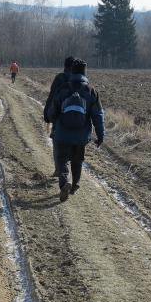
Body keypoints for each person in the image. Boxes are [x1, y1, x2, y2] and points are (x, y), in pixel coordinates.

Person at [47, 58, 104, 202]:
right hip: (81, 135)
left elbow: (53, 111)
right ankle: (75, 185)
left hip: (62, 133)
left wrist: (52, 121)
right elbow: (98, 115)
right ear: (85, 73)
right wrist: (100, 135)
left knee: (62, 160)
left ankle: (64, 183)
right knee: (77, 160)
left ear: (71, 72)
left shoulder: (63, 88)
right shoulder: (91, 91)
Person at [43, 57, 75, 176]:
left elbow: (52, 96)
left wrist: (47, 114)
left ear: (65, 66)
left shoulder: (60, 78)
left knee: (58, 144)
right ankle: (71, 174)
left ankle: (59, 170)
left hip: (59, 118)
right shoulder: (82, 80)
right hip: (78, 120)